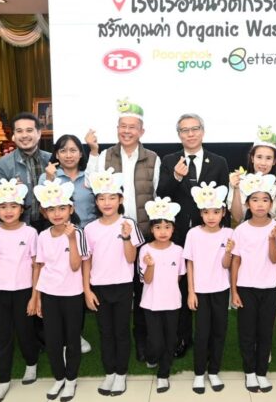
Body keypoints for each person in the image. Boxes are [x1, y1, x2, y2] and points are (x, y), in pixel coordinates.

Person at [86, 101, 160, 361]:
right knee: (119, 292)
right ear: (117, 128)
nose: (127, 131)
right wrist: (93, 152)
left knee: (142, 292)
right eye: (123, 126)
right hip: (112, 234)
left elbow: (156, 194)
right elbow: (90, 183)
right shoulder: (106, 155)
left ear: (141, 131)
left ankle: (142, 341)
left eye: (132, 127)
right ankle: (116, 341)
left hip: (142, 234)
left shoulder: (153, 158)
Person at [157, 113, 229, 358]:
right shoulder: (169, 160)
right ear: (179, 135)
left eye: (194, 129)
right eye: (184, 130)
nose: (190, 134)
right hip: (177, 234)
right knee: (181, 287)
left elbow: (223, 201)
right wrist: (176, 176)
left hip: (209, 235)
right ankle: (182, 337)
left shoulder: (218, 161)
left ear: (203, 131)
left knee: (208, 288)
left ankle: (209, 339)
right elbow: (161, 194)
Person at [83, 168, 145, 396]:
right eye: (102, 198)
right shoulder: (90, 229)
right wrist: (87, 290)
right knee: (105, 331)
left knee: (121, 331)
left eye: (112, 197)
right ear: (96, 201)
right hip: (99, 287)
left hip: (122, 286)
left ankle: (121, 373)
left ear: (121, 199)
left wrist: (127, 237)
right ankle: (110, 372)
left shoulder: (128, 224)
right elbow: (87, 261)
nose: (107, 203)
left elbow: (131, 258)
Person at [231, 172, 276, 393]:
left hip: (270, 288)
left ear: (271, 203)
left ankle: (262, 372)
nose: (260, 204)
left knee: (265, 332)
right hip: (246, 288)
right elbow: (236, 261)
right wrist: (234, 290)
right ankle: (249, 372)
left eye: (265, 200)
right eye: (255, 200)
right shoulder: (241, 229)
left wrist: (272, 239)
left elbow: (275, 258)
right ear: (247, 204)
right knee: (247, 332)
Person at [0, 178, 40, 402]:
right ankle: (3, 380)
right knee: (3, 336)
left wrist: (35, 296)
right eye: (3, 206)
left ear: (22, 208)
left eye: (13, 206)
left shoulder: (30, 233)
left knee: (25, 331)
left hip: (23, 291)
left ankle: (31, 363)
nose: (8, 211)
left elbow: (36, 266)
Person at [228, 126, 276, 308]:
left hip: (271, 246)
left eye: (268, 158)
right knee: (247, 300)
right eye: (259, 157)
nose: (263, 162)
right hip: (248, 246)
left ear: (274, 161)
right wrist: (236, 189)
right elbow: (237, 216)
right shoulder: (241, 182)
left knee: (270, 304)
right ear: (252, 158)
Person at [33, 179, 87, 401]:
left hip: (72, 294)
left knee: (72, 339)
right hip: (49, 294)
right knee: (53, 340)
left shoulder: (78, 234)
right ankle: (59, 377)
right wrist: (37, 297)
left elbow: (75, 266)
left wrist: (71, 239)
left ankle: (71, 379)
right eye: (51, 209)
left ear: (71, 209)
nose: (57, 214)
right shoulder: (43, 236)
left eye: (62, 208)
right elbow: (40, 266)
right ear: (44, 212)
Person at [184, 182, 233, 394]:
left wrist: (228, 251)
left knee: (219, 331)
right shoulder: (193, 234)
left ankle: (213, 371)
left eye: (216, 212)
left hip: (221, 290)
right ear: (200, 213)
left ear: (223, 212)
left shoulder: (229, 233)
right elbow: (190, 263)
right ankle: (198, 373)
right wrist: (191, 291)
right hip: (200, 292)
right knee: (202, 333)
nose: (211, 216)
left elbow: (226, 265)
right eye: (206, 212)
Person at [139, 197, 185, 393]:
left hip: (172, 303)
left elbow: (179, 277)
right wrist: (150, 265)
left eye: (167, 227)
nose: (163, 231)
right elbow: (146, 280)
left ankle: (163, 374)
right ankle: (152, 357)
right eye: (158, 227)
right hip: (151, 303)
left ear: (173, 229)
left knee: (170, 339)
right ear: (152, 229)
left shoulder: (179, 251)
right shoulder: (145, 250)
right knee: (156, 341)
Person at [0, 112, 51, 230]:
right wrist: (9, 192)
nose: (24, 135)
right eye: (19, 131)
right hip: (18, 227)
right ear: (14, 135)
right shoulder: (2, 165)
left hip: (51, 225)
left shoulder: (52, 160)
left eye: (29, 130)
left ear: (39, 133)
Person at [41, 134, 96, 228]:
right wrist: (49, 181)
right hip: (60, 232)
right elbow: (44, 212)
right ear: (57, 155)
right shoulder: (46, 177)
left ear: (80, 154)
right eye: (63, 151)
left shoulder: (91, 176)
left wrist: (94, 150)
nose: (68, 155)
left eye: (73, 150)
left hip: (90, 231)